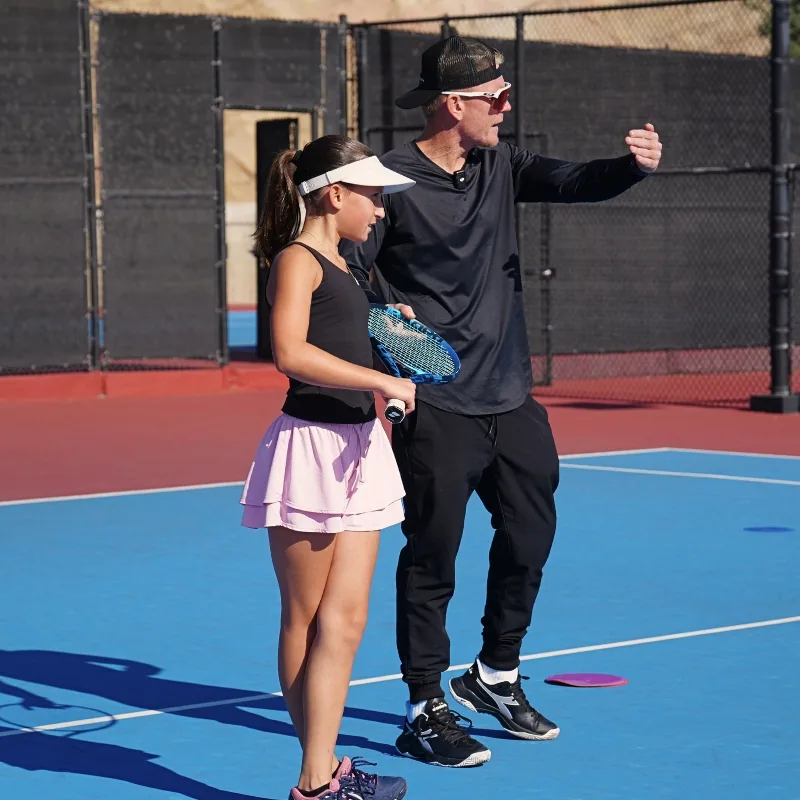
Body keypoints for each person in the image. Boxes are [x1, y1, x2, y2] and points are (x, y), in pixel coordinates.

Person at [340, 35, 663, 768]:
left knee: (530, 533)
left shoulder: (502, 164)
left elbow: (578, 180)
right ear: (454, 104)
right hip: (437, 403)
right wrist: (389, 329)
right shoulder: (387, 181)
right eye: (496, 97)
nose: (506, 108)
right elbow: (350, 270)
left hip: (510, 395)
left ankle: (494, 674)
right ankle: (424, 706)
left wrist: (632, 168)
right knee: (434, 554)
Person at [241, 134, 417, 799]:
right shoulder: (296, 260)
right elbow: (289, 352)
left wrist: (384, 327)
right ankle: (315, 780)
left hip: (362, 450)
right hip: (310, 451)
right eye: (373, 197)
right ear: (336, 194)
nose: (380, 210)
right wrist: (382, 380)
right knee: (305, 619)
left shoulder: (350, 269)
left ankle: (323, 770)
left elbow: (338, 335)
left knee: (346, 622)